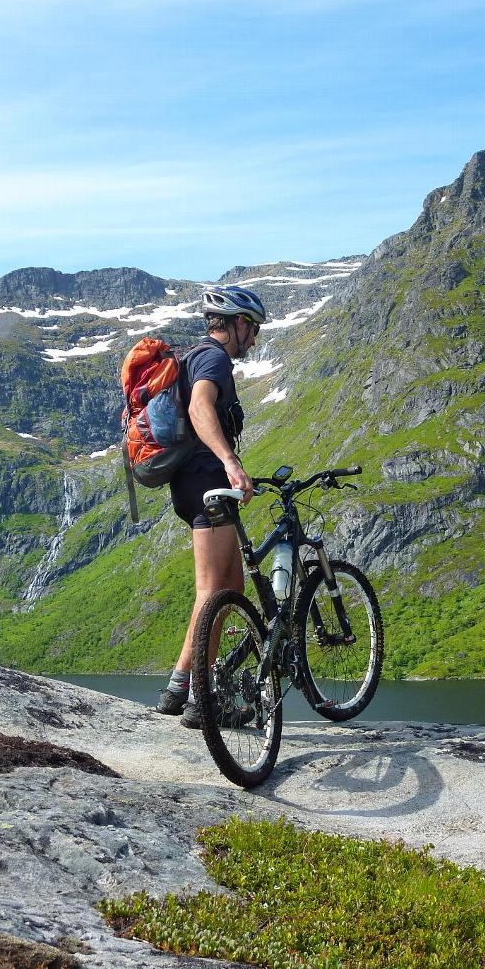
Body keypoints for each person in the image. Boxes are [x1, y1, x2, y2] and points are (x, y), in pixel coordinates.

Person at [155, 284, 266, 728]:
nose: (254, 339)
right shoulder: (214, 358)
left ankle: (182, 688)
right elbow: (201, 408)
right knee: (211, 591)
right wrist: (230, 462)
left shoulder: (189, 355)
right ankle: (198, 698)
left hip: (190, 481)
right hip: (206, 480)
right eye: (253, 328)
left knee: (232, 591)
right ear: (237, 323)